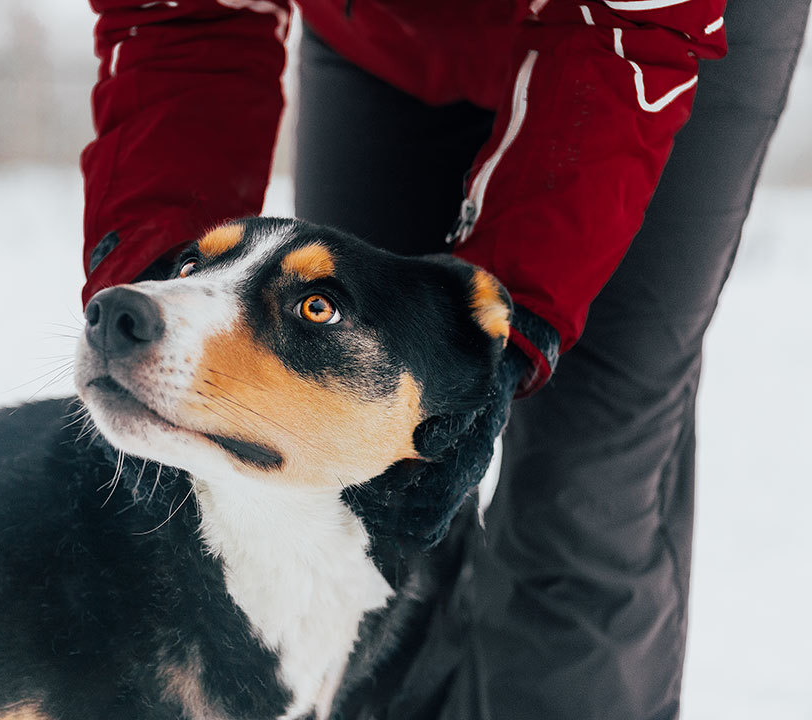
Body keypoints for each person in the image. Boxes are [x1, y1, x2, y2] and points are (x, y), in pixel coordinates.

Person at [77, 1, 810, 718]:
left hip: (648, 36)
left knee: (584, 485)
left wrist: (514, 329)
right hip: (384, 35)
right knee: (355, 493)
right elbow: (182, 16)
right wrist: (159, 287)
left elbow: (634, 27)